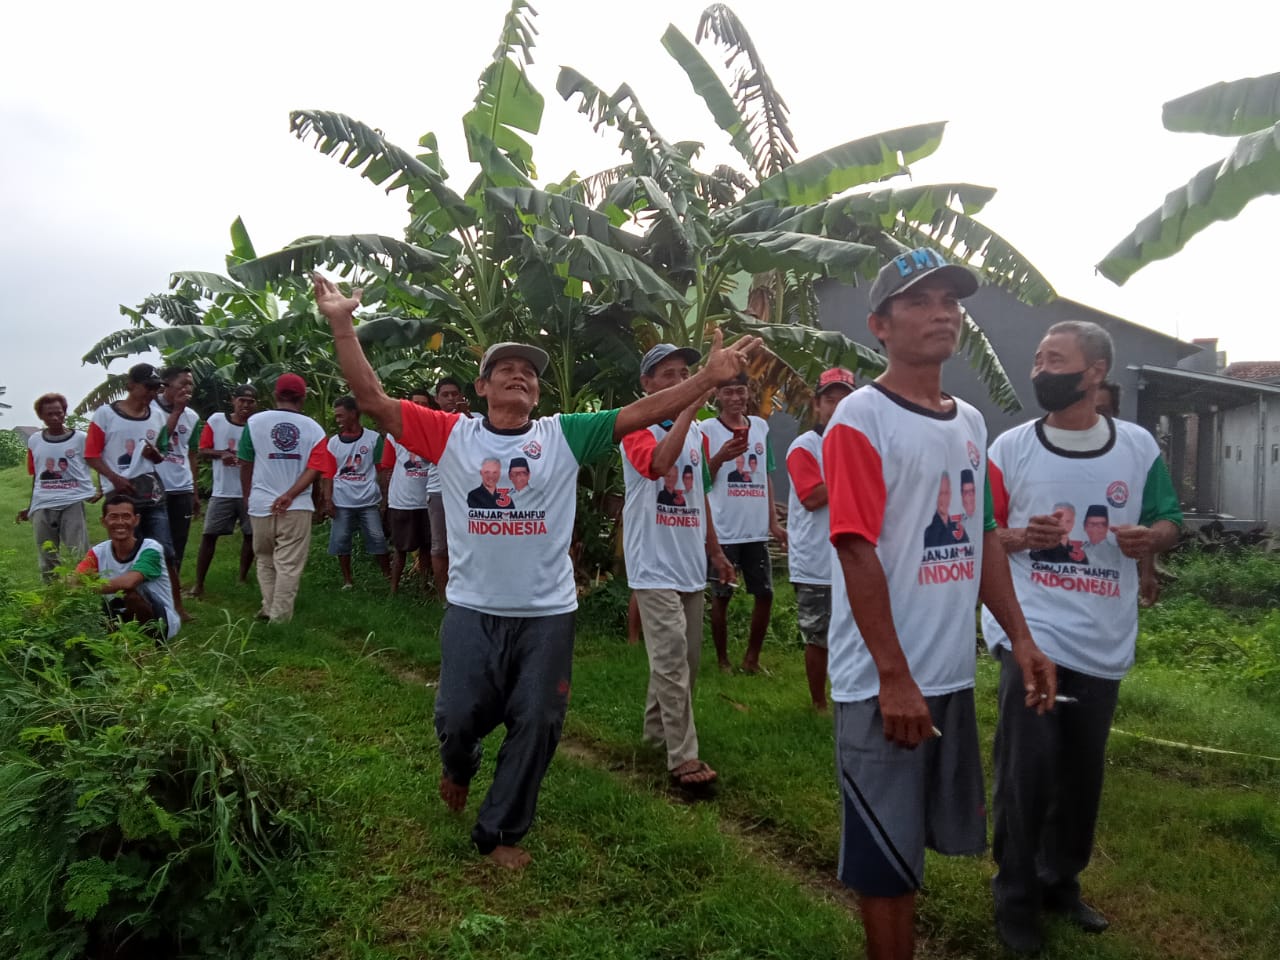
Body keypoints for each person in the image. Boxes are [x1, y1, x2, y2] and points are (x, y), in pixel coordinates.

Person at [313, 270, 758, 870]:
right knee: (456, 716)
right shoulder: (452, 435)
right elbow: (372, 401)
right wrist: (343, 324)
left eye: (529, 372)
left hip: (548, 614)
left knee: (540, 720)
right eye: (505, 368)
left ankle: (500, 833)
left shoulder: (564, 436)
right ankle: (458, 765)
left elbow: (638, 413)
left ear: (538, 395)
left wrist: (705, 380)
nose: (519, 374)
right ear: (482, 386)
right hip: (473, 608)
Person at [822, 247, 1056, 960]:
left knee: (912, 847)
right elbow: (855, 548)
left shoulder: (968, 422)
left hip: (948, 674)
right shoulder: (860, 418)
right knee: (884, 860)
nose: (942, 313)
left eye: (951, 301)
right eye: (921, 301)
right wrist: (893, 675)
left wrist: (1020, 635)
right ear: (880, 326)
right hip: (882, 683)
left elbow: (981, 535)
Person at [983, 320, 1182, 954]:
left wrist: (1152, 542)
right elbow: (981, 533)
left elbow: (1168, 519)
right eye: (1038, 359)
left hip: (1103, 632)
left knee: (1080, 771)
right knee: (1028, 767)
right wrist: (1021, 538)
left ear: (1094, 373)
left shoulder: (1137, 448)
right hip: (1029, 629)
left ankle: (1060, 882)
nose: (1041, 370)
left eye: (1055, 360)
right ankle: (1014, 895)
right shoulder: (1009, 448)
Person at [621, 343, 736, 792]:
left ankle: (653, 736)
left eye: (686, 372)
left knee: (684, 659)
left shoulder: (700, 436)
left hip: (688, 562)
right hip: (652, 562)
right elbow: (658, 464)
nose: (679, 379)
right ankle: (682, 757)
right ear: (647, 385)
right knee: (671, 659)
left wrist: (716, 552)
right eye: (668, 374)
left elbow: (699, 495)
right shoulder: (636, 425)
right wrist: (688, 408)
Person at [85, 362, 189, 621]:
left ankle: (175, 607)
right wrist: (115, 479)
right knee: (126, 549)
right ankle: (133, 605)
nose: (152, 392)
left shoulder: (156, 417)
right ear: (131, 385)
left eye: (156, 388)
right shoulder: (105, 415)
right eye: (148, 387)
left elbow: (161, 453)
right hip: (120, 497)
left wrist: (155, 454)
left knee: (165, 550)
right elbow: (91, 454)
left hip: (152, 494)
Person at [701, 375, 788, 673]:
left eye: (741, 391)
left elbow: (766, 475)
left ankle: (752, 659)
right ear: (717, 395)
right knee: (722, 596)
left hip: (755, 530)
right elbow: (702, 480)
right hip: (724, 529)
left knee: (764, 593)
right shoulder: (707, 430)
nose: (736, 398)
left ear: (749, 393)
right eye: (729, 392)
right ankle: (723, 660)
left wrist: (773, 523)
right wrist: (720, 457)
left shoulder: (760, 427)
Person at [785, 367, 855, 711]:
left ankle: (850, 694)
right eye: (831, 399)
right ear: (817, 404)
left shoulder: (862, 445)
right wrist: (854, 475)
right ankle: (818, 703)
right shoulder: (806, 446)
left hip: (855, 556)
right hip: (817, 560)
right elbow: (811, 496)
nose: (839, 406)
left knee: (854, 633)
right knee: (818, 636)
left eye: (847, 399)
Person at [238, 373, 334, 623]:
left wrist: (248, 494)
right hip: (297, 506)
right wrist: (290, 494)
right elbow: (315, 468)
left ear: (275, 396)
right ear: (302, 399)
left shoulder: (254, 423)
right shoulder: (314, 429)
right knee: (288, 565)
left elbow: (245, 462)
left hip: (260, 505)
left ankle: (269, 609)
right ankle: (279, 619)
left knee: (265, 559)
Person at [75, 493, 180, 641]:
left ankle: (151, 642)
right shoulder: (97, 552)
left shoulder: (151, 548)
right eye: (113, 517)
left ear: (136, 520)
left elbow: (129, 582)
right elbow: (73, 580)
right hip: (117, 614)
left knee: (130, 594)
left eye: (126, 516)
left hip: (161, 621)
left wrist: (87, 587)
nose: (120, 522)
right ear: (103, 522)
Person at [17, 392, 98, 580]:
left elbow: (97, 461)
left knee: (80, 553)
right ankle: (54, 597)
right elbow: (37, 475)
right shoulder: (35, 440)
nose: (55, 418)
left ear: (64, 413)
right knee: (47, 558)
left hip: (72, 502)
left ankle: (88, 595)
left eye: (59, 413)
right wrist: (30, 506)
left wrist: (99, 489)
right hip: (43, 505)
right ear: (41, 417)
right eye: (49, 414)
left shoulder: (80, 438)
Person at [190, 384, 257, 598]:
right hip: (223, 490)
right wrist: (221, 454)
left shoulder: (257, 425)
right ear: (233, 400)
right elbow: (202, 450)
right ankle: (199, 584)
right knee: (209, 535)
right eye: (242, 401)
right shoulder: (217, 421)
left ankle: (242, 578)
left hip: (250, 491)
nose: (245, 405)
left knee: (250, 535)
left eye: (250, 402)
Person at [321, 396, 391, 589]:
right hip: (342, 500)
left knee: (378, 539)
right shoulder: (333, 443)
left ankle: (388, 577)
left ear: (354, 413)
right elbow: (327, 474)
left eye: (341, 415)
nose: (338, 420)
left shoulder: (373, 439)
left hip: (368, 500)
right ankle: (348, 581)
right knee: (341, 541)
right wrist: (328, 500)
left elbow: (382, 470)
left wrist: (385, 499)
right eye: (336, 416)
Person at [380, 392, 435, 595]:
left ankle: (424, 586)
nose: (420, 407)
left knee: (427, 548)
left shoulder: (434, 431)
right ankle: (393, 589)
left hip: (428, 500)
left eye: (424, 404)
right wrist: (385, 501)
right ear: (407, 407)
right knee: (401, 548)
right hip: (402, 501)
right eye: (416, 403)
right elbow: (386, 467)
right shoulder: (394, 434)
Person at [425, 377, 471, 596]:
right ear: (437, 399)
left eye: (455, 393)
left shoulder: (476, 419)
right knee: (440, 546)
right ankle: (444, 597)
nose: (451, 398)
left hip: (469, 492)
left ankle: (469, 592)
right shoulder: (432, 421)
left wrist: (466, 416)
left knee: (471, 544)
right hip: (439, 491)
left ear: (462, 396)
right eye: (446, 394)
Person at [153, 367, 202, 574]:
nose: (188, 389)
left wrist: (195, 492)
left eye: (190, 384)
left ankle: (172, 586)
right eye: (183, 383)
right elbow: (158, 442)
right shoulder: (149, 409)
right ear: (166, 385)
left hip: (182, 487)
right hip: (154, 485)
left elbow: (190, 454)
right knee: (153, 540)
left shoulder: (192, 416)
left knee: (178, 542)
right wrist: (176, 412)